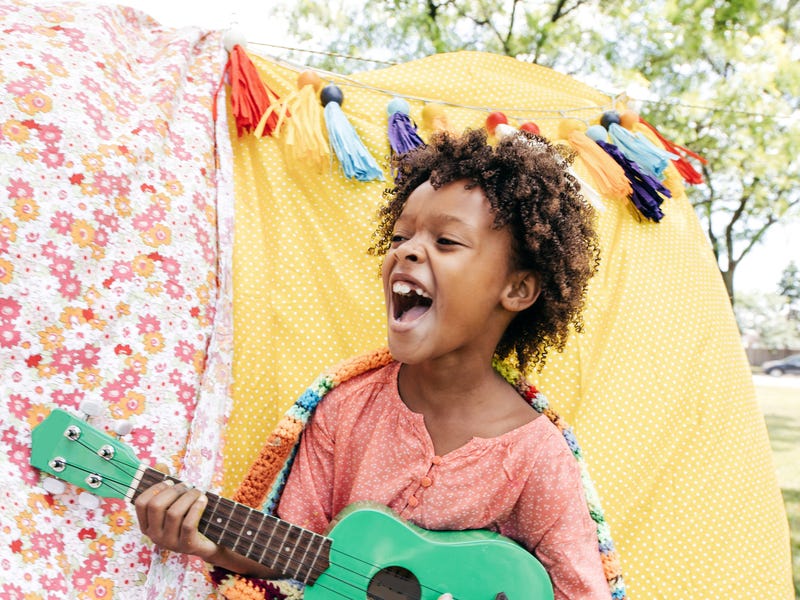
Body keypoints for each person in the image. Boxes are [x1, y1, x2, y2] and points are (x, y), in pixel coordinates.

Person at [134, 129, 617, 599]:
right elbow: (296, 552)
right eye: (400, 235)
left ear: (517, 289)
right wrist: (205, 542)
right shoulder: (346, 409)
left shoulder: (537, 457)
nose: (406, 249)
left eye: (446, 241)